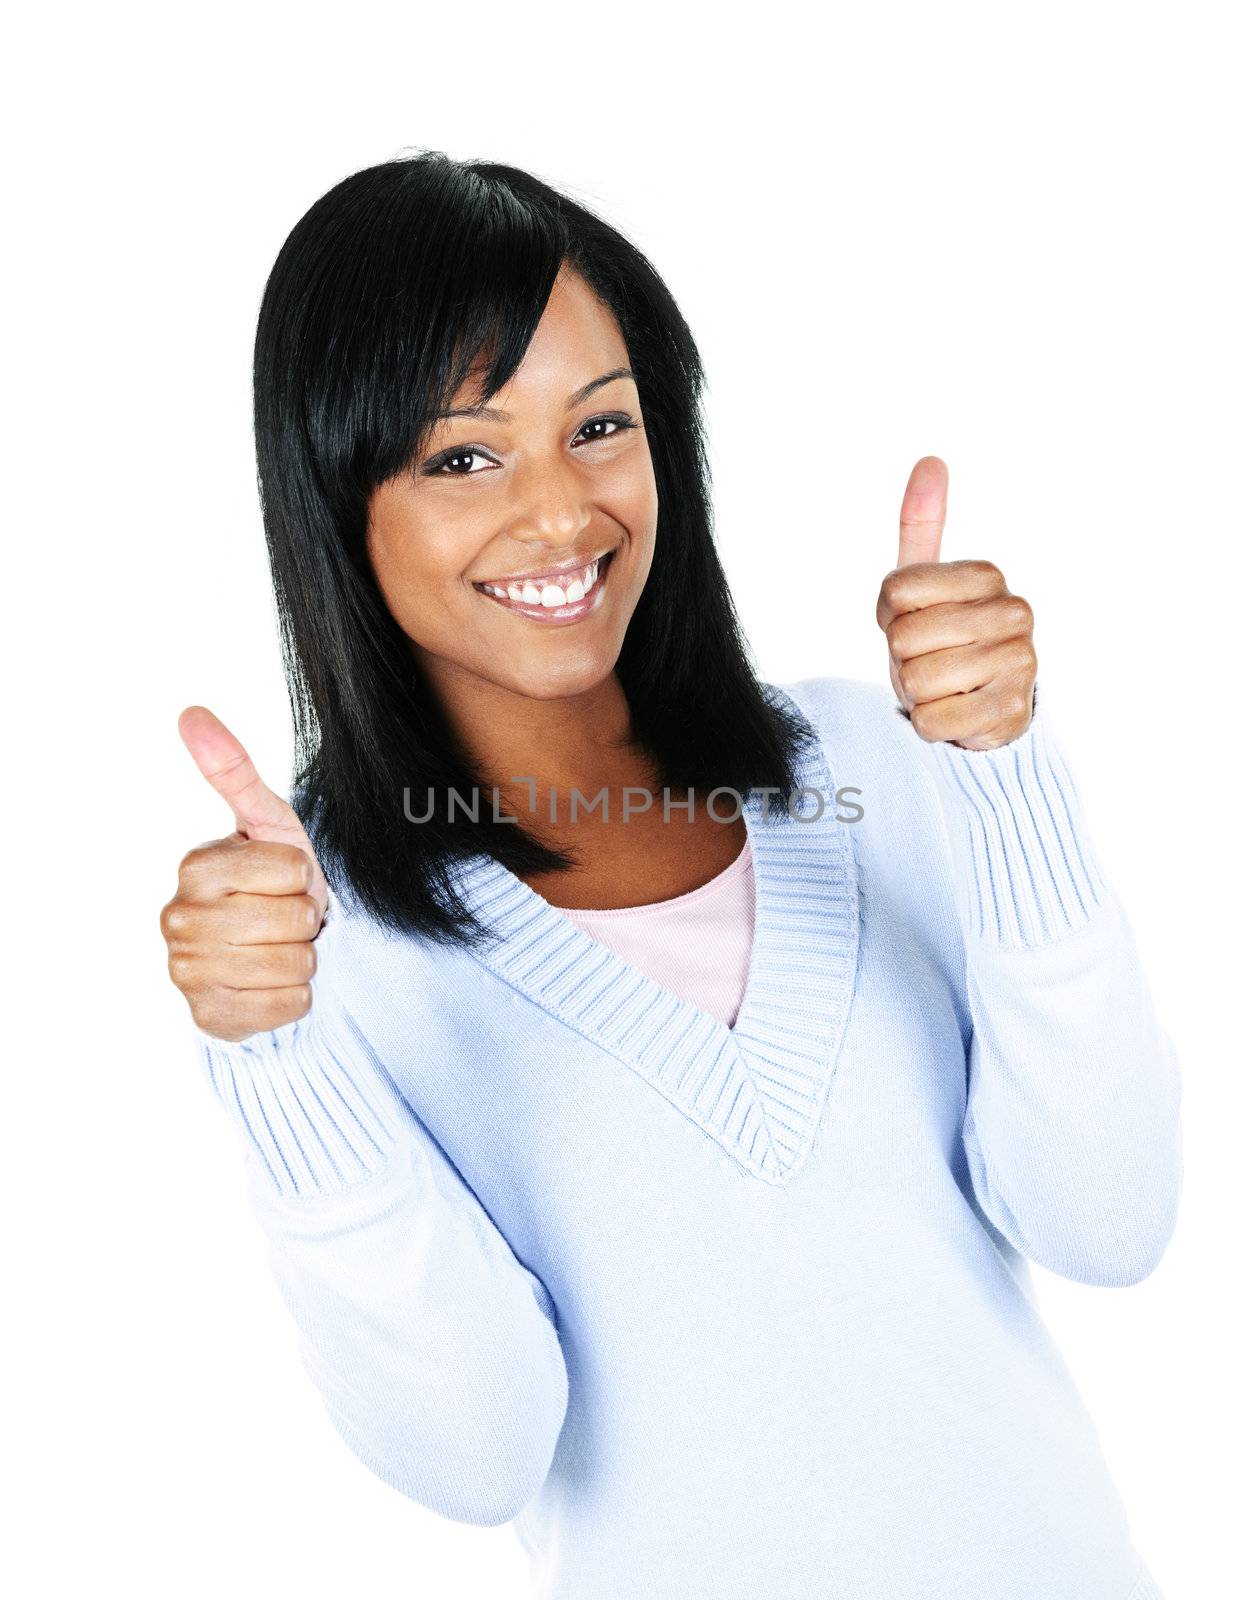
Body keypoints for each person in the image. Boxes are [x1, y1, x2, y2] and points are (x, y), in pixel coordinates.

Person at [160, 152, 1180, 1600]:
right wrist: (275, 1062)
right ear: (340, 497)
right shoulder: (312, 942)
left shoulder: (867, 759)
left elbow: (1109, 1219)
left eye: (601, 427)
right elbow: (474, 1455)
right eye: (463, 456)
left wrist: (1004, 774)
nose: (561, 511)